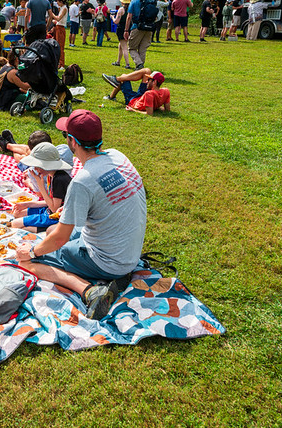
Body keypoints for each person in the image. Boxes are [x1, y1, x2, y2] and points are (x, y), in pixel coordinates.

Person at [14, 109, 147, 320]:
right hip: (128, 252)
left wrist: (31, 252)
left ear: (72, 142)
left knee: (28, 262)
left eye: (65, 135)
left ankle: (90, 291)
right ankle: (114, 276)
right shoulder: (118, 156)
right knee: (50, 229)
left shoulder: (82, 180)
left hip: (108, 260)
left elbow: (59, 239)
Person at [9, 142, 72, 233]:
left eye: (38, 166)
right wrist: (28, 204)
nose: (36, 169)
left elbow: (54, 208)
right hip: (48, 210)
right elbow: (50, 202)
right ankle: (39, 228)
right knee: (17, 214)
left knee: (15, 224)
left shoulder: (60, 180)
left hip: (57, 216)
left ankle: (45, 228)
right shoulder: (52, 175)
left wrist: (40, 185)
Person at [102, 67, 167, 113]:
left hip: (133, 100)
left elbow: (149, 113)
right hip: (141, 96)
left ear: (154, 82)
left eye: (149, 79)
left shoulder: (149, 94)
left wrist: (133, 110)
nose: (147, 80)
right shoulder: (165, 91)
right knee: (147, 70)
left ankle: (113, 93)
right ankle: (116, 80)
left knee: (124, 77)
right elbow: (166, 109)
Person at [123, 0, 156, 70]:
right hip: (149, 27)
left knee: (132, 48)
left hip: (137, 26)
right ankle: (140, 69)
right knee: (143, 49)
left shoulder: (135, 0)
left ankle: (139, 64)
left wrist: (126, 30)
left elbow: (129, 16)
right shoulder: (153, 0)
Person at [112, 0, 131, 67]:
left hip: (121, 29)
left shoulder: (121, 10)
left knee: (124, 47)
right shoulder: (131, 10)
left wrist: (113, 17)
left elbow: (116, 21)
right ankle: (118, 61)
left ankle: (127, 64)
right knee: (121, 46)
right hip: (128, 29)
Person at [52, 0, 68, 68]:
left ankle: (62, 64)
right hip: (58, 27)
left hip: (61, 28)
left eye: (57, 1)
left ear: (61, 1)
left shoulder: (64, 8)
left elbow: (58, 18)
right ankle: (59, 62)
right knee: (57, 45)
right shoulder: (61, 8)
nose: (57, 3)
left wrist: (52, 14)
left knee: (60, 46)